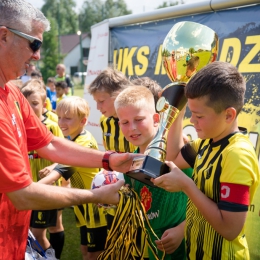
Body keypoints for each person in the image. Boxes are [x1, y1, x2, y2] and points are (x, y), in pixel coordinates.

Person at [0, 1, 134, 258]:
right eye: (34, 44)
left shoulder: (13, 94)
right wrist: (95, 196)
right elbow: (23, 195)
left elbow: (49, 144)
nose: (38, 55)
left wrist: (109, 159)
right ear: (4, 36)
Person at [152, 61, 260, 259]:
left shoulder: (237, 155)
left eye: (198, 115)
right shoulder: (206, 142)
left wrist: (187, 185)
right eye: (191, 113)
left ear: (228, 115)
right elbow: (173, 157)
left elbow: (230, 230)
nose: (192, 121)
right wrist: (178, 113)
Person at [114, 85, 189, 260]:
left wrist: (182, 229)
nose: (132, 128)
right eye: (125, 122)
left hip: (183, 246)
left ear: (156, 119)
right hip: (151, 247)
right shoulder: (130, 161)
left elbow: (202, 196)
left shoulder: (178, 151)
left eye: (139, 119)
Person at [39, 96, 107, 260]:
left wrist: (30, 189)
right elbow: (64, 159)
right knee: (84, 250)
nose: (61, 122)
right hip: (82, 206)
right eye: (59, 117)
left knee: (94, 255)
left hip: (95, 207)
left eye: (68, 118)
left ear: (83, 121)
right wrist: (54, 164)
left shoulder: (82, 142)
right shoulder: (73, 137)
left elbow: (60, 171)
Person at [21, 79, 65, 259]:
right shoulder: (19, 127)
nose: (30, 108)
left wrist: (53, 167)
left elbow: (64, 155)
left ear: (45, 104)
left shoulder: (51, 125)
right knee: (46, 229)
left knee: (38, 233)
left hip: (47, 188)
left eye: (35, 103)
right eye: (26, 104)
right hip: (30, 187)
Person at [88, 67, 136, 153]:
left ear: (119, 94)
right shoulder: (104, 120)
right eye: (96, 101)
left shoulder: (136, 120)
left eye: (101, 101)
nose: (98, 107)